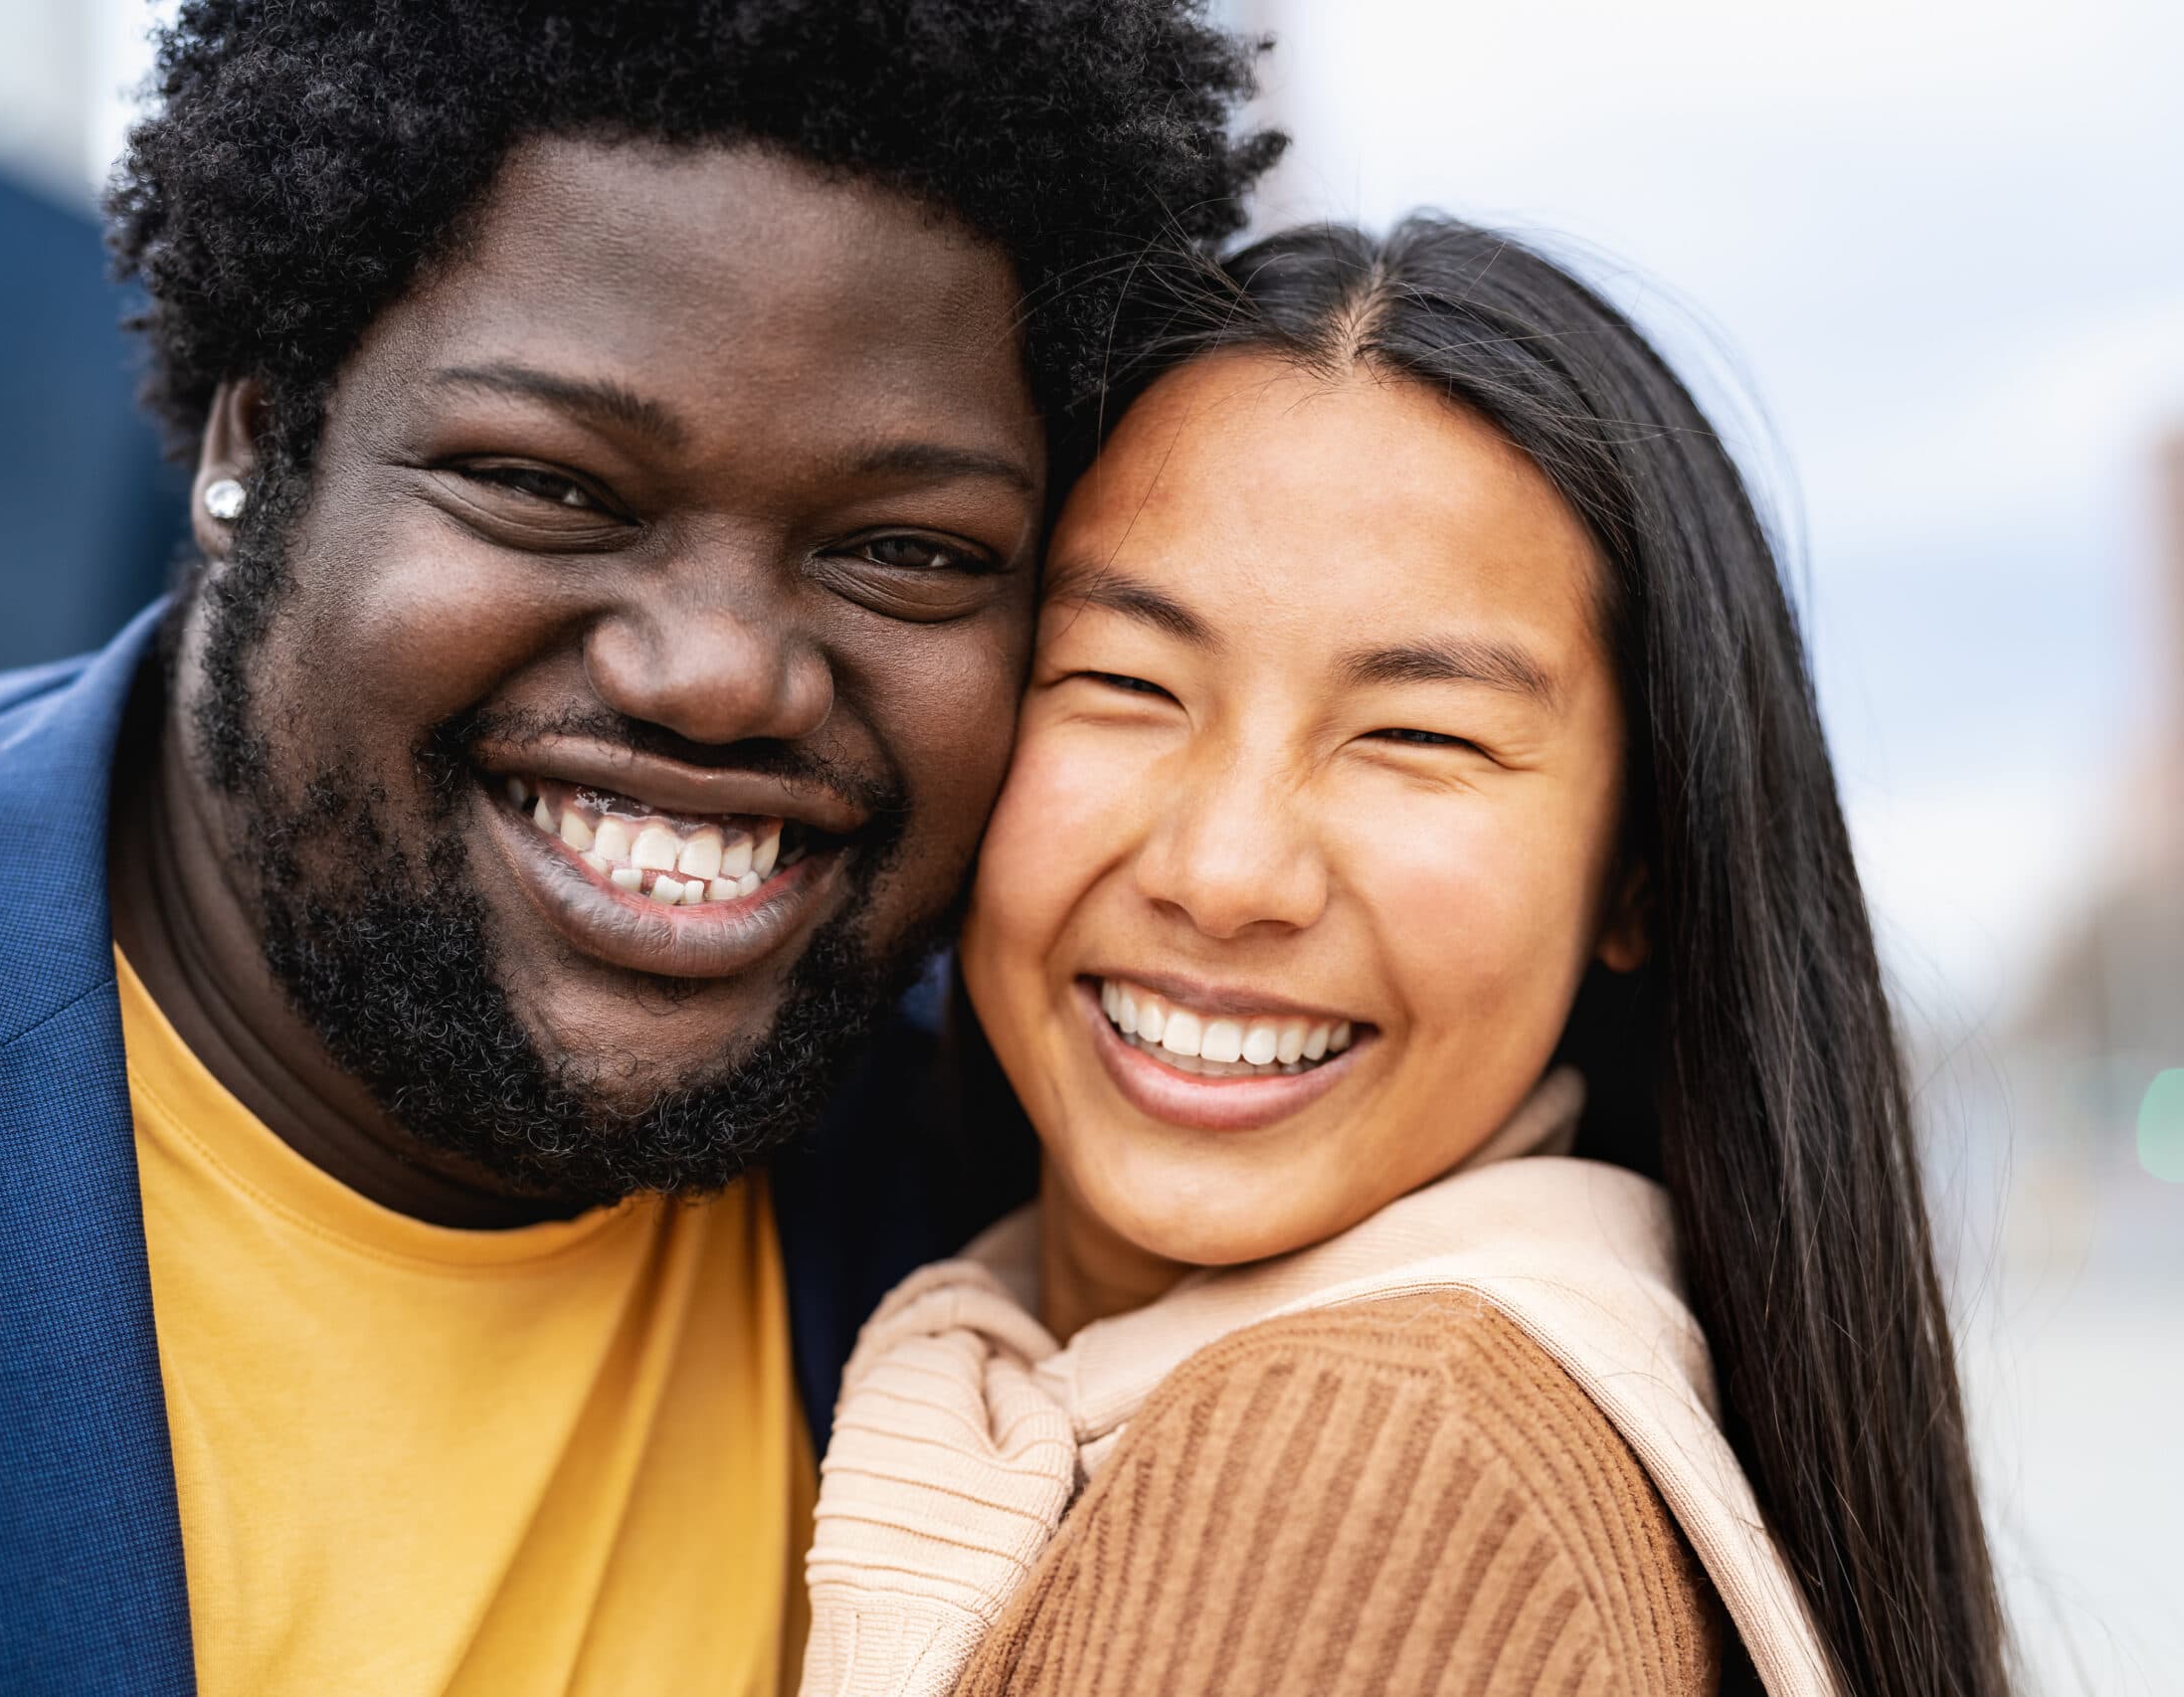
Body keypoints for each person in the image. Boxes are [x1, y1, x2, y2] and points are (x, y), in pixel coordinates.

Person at [0, 5, 1279, 1691]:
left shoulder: (1034, 1213)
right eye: (549, 485)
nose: (718, 673)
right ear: (258, 441)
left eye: (908, 551)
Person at [802, 220, 2010, 1697]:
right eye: (1123, 683)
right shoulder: (956, 1329)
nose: (1227, 871)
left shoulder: (1365, 1456)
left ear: (1639, 873)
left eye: (1418, 737)